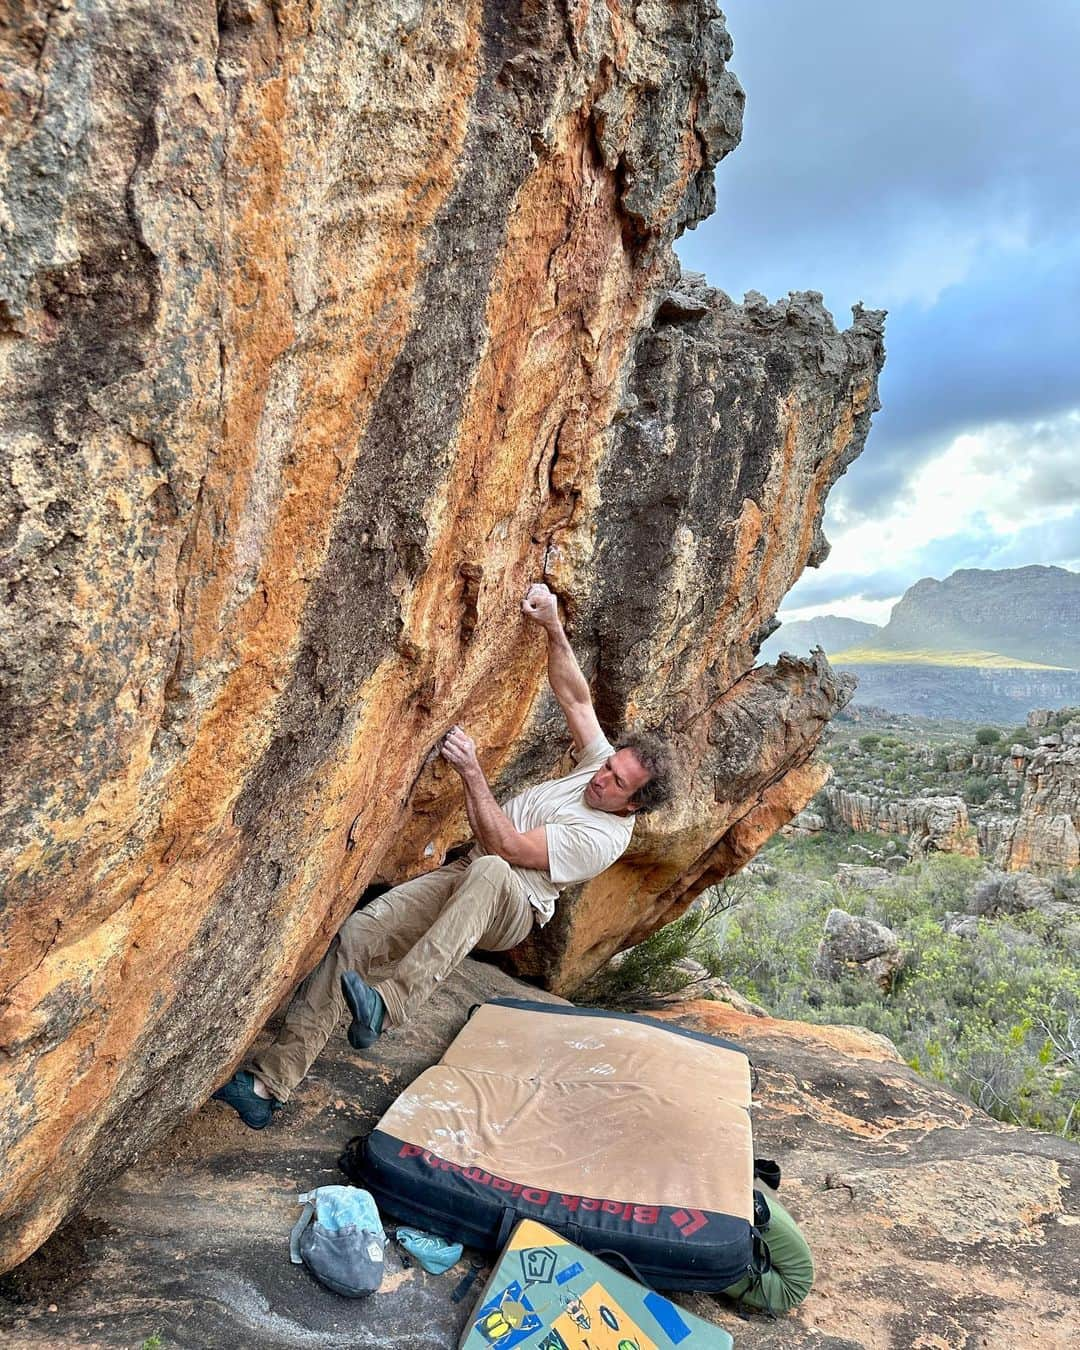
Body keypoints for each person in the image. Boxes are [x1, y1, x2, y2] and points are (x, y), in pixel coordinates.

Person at [212, 582, 674, 1128]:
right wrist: (551, 624)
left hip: (513, 906)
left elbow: (506, 847)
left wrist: (472, 772)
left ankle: (390, 1007)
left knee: (492, 866)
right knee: (358, 936)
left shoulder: (603, 838)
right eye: (606, 766)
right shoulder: (600, 765)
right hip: (469, 875)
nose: (600, 777)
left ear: (634, 804)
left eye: (615, 782)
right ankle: (269, 1087)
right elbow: (574, 696)